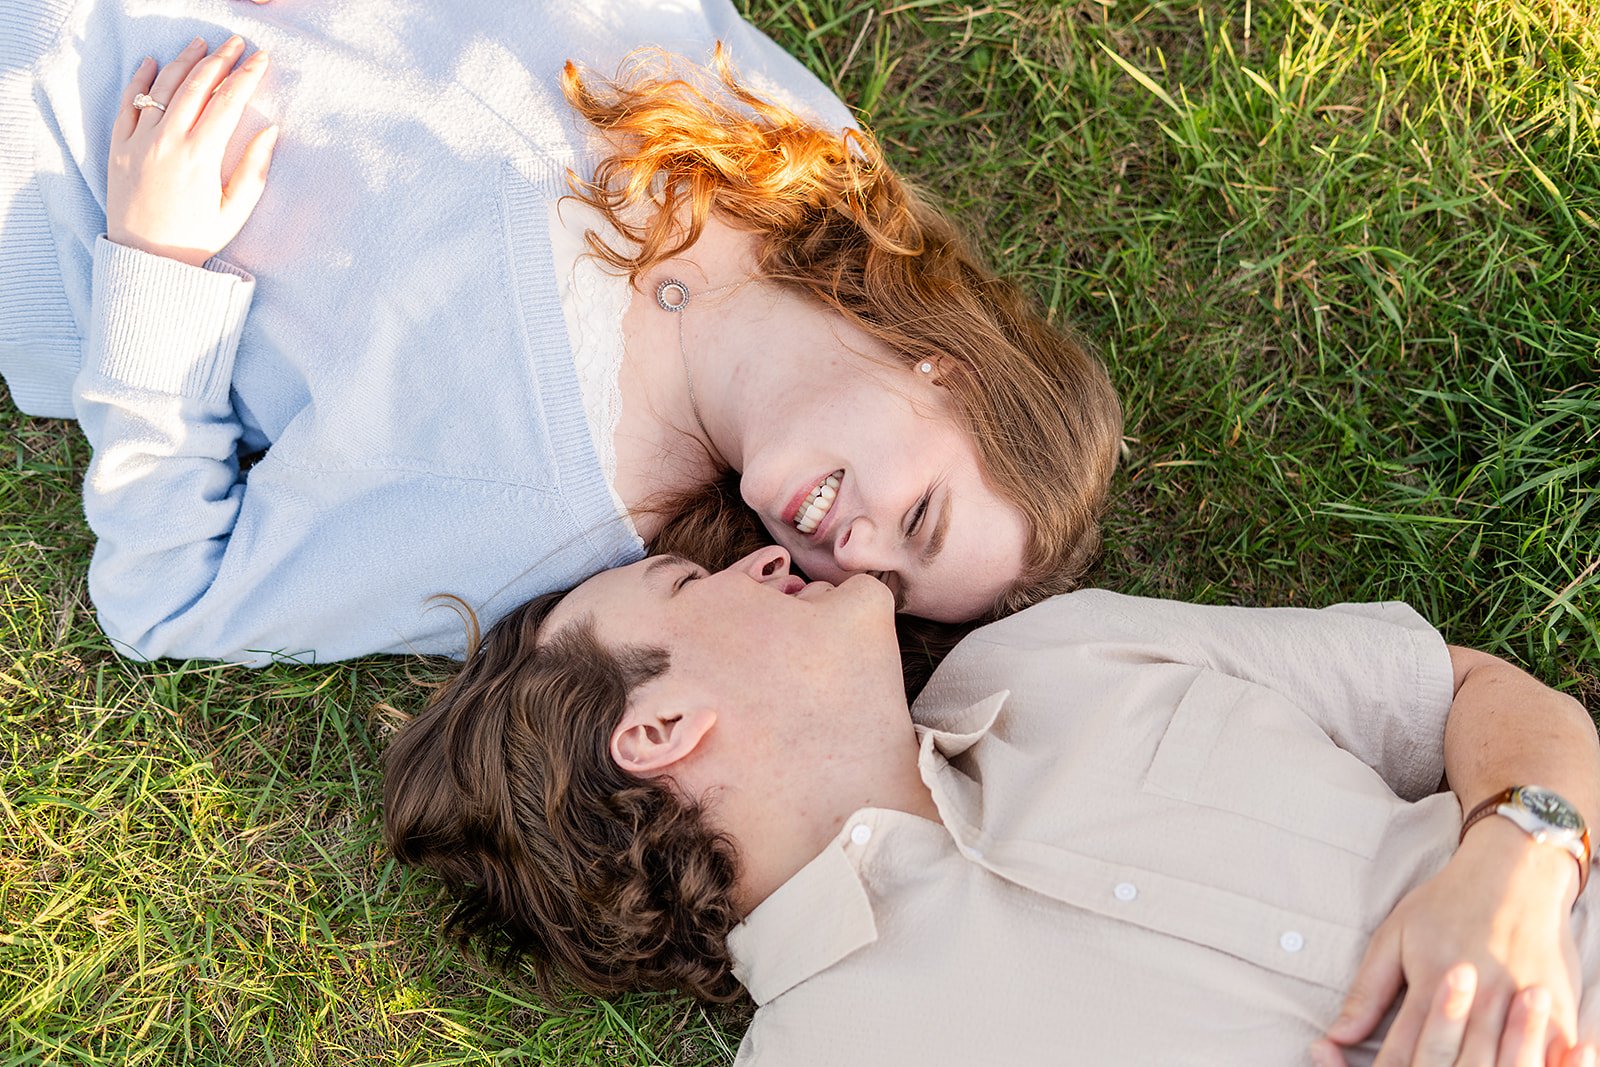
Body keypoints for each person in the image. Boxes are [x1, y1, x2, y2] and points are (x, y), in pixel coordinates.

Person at [0, 0, 1121, 666]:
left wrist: (156, 264)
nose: (855, 558)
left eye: (883, 590)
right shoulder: (819, 161)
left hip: (36, 131)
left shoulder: (556, 529)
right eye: (917, 516)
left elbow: (175, 596)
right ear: (949, 372)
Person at [382, 548, 1600, 1066]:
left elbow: (1468, 692)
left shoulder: (1061, 653)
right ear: (653, 729)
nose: (760, 557)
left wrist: (1522, 849)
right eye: (692, 581)